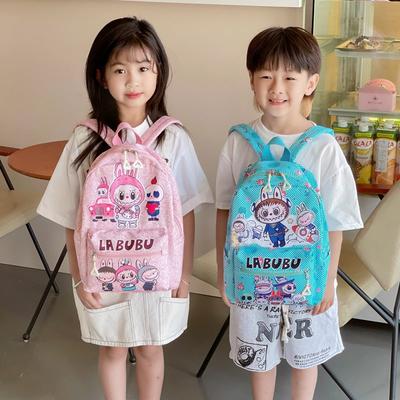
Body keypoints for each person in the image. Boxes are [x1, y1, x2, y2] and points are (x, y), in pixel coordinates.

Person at [37, 16, 213, 400]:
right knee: (113, 348)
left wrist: (182, 276)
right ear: (101, 77)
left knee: (151, 347)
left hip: (159, 269)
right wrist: (80, 278)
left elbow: (185, 213)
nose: (133, 81)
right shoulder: (84, 139)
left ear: (158, 73)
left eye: (143, 69)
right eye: (120, 70)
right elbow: (72, 217)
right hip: (102, 269)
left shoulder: (173, 138)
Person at [215, 26, 363, 400]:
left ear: (310, 83)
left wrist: (327, 281)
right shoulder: (237, 141)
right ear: (251, 80)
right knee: (258, 356)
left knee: (304, 357)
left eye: (289, 78)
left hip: (309, 277)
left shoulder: (324, 146)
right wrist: (223, 272)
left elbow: (335, 223)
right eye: (266, 76)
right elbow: (224, 212)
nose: (276, 87)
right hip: (250, 275)